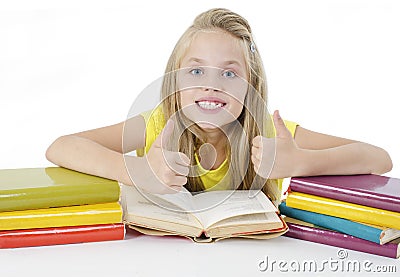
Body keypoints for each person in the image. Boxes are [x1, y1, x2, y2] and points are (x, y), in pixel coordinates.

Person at [46, 8, 392, 202]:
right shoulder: (157, 122)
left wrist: (302, 161)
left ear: (250, 87)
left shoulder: (267, 133)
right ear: (176, 82)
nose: (210, 84)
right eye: (196, 70)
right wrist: (135, 171)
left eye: (229, 73)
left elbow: (379, 158)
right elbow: (61, 147)